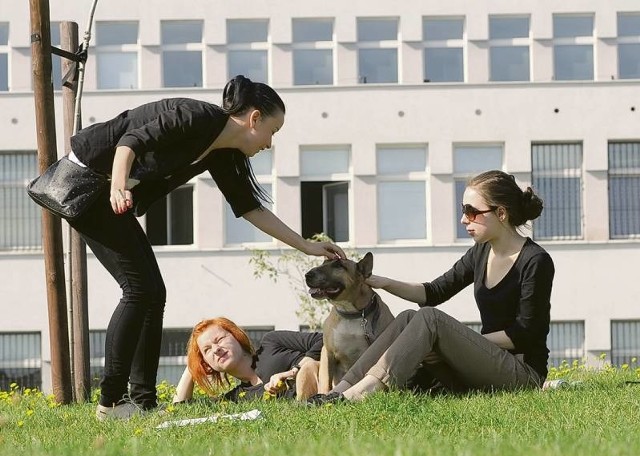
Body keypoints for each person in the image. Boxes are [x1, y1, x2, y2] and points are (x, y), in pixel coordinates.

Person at [58, 75, 344, 420]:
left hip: (107, 193)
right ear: (254, 119)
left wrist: (304, 246)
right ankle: (110, 404)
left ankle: (143, 402)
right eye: (273, 130)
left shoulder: (221, 152)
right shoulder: (195, 117)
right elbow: (130, 141)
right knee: (138, 289)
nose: (270, 142)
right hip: (87, 182)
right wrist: (118, 185)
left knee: (152, 292)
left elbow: (250, 208)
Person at [309, 170, 555, 404]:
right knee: (408, 317)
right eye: (463, 210)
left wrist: (457, 343)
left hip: (521, 374)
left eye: (471, 212)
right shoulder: (481, 252)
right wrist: (384, 283)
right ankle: (337, 392)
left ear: (501, 214)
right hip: (481, 370)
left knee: (430, 319)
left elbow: (524, 333)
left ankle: (364, 391)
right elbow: (433, 293)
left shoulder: (535, 261)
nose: (463, 219)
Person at [172, 317, 323, 403]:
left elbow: (325, 339)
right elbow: (180, 406)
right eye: (207, 350)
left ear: (236, 336)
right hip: (314, 410)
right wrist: (193, 367)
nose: (216, 349)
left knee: (310, 367)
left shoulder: (271, 342)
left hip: (332, 384)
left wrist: (294, 371)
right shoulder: (236, 399)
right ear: (207, 364)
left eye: (219, 340)